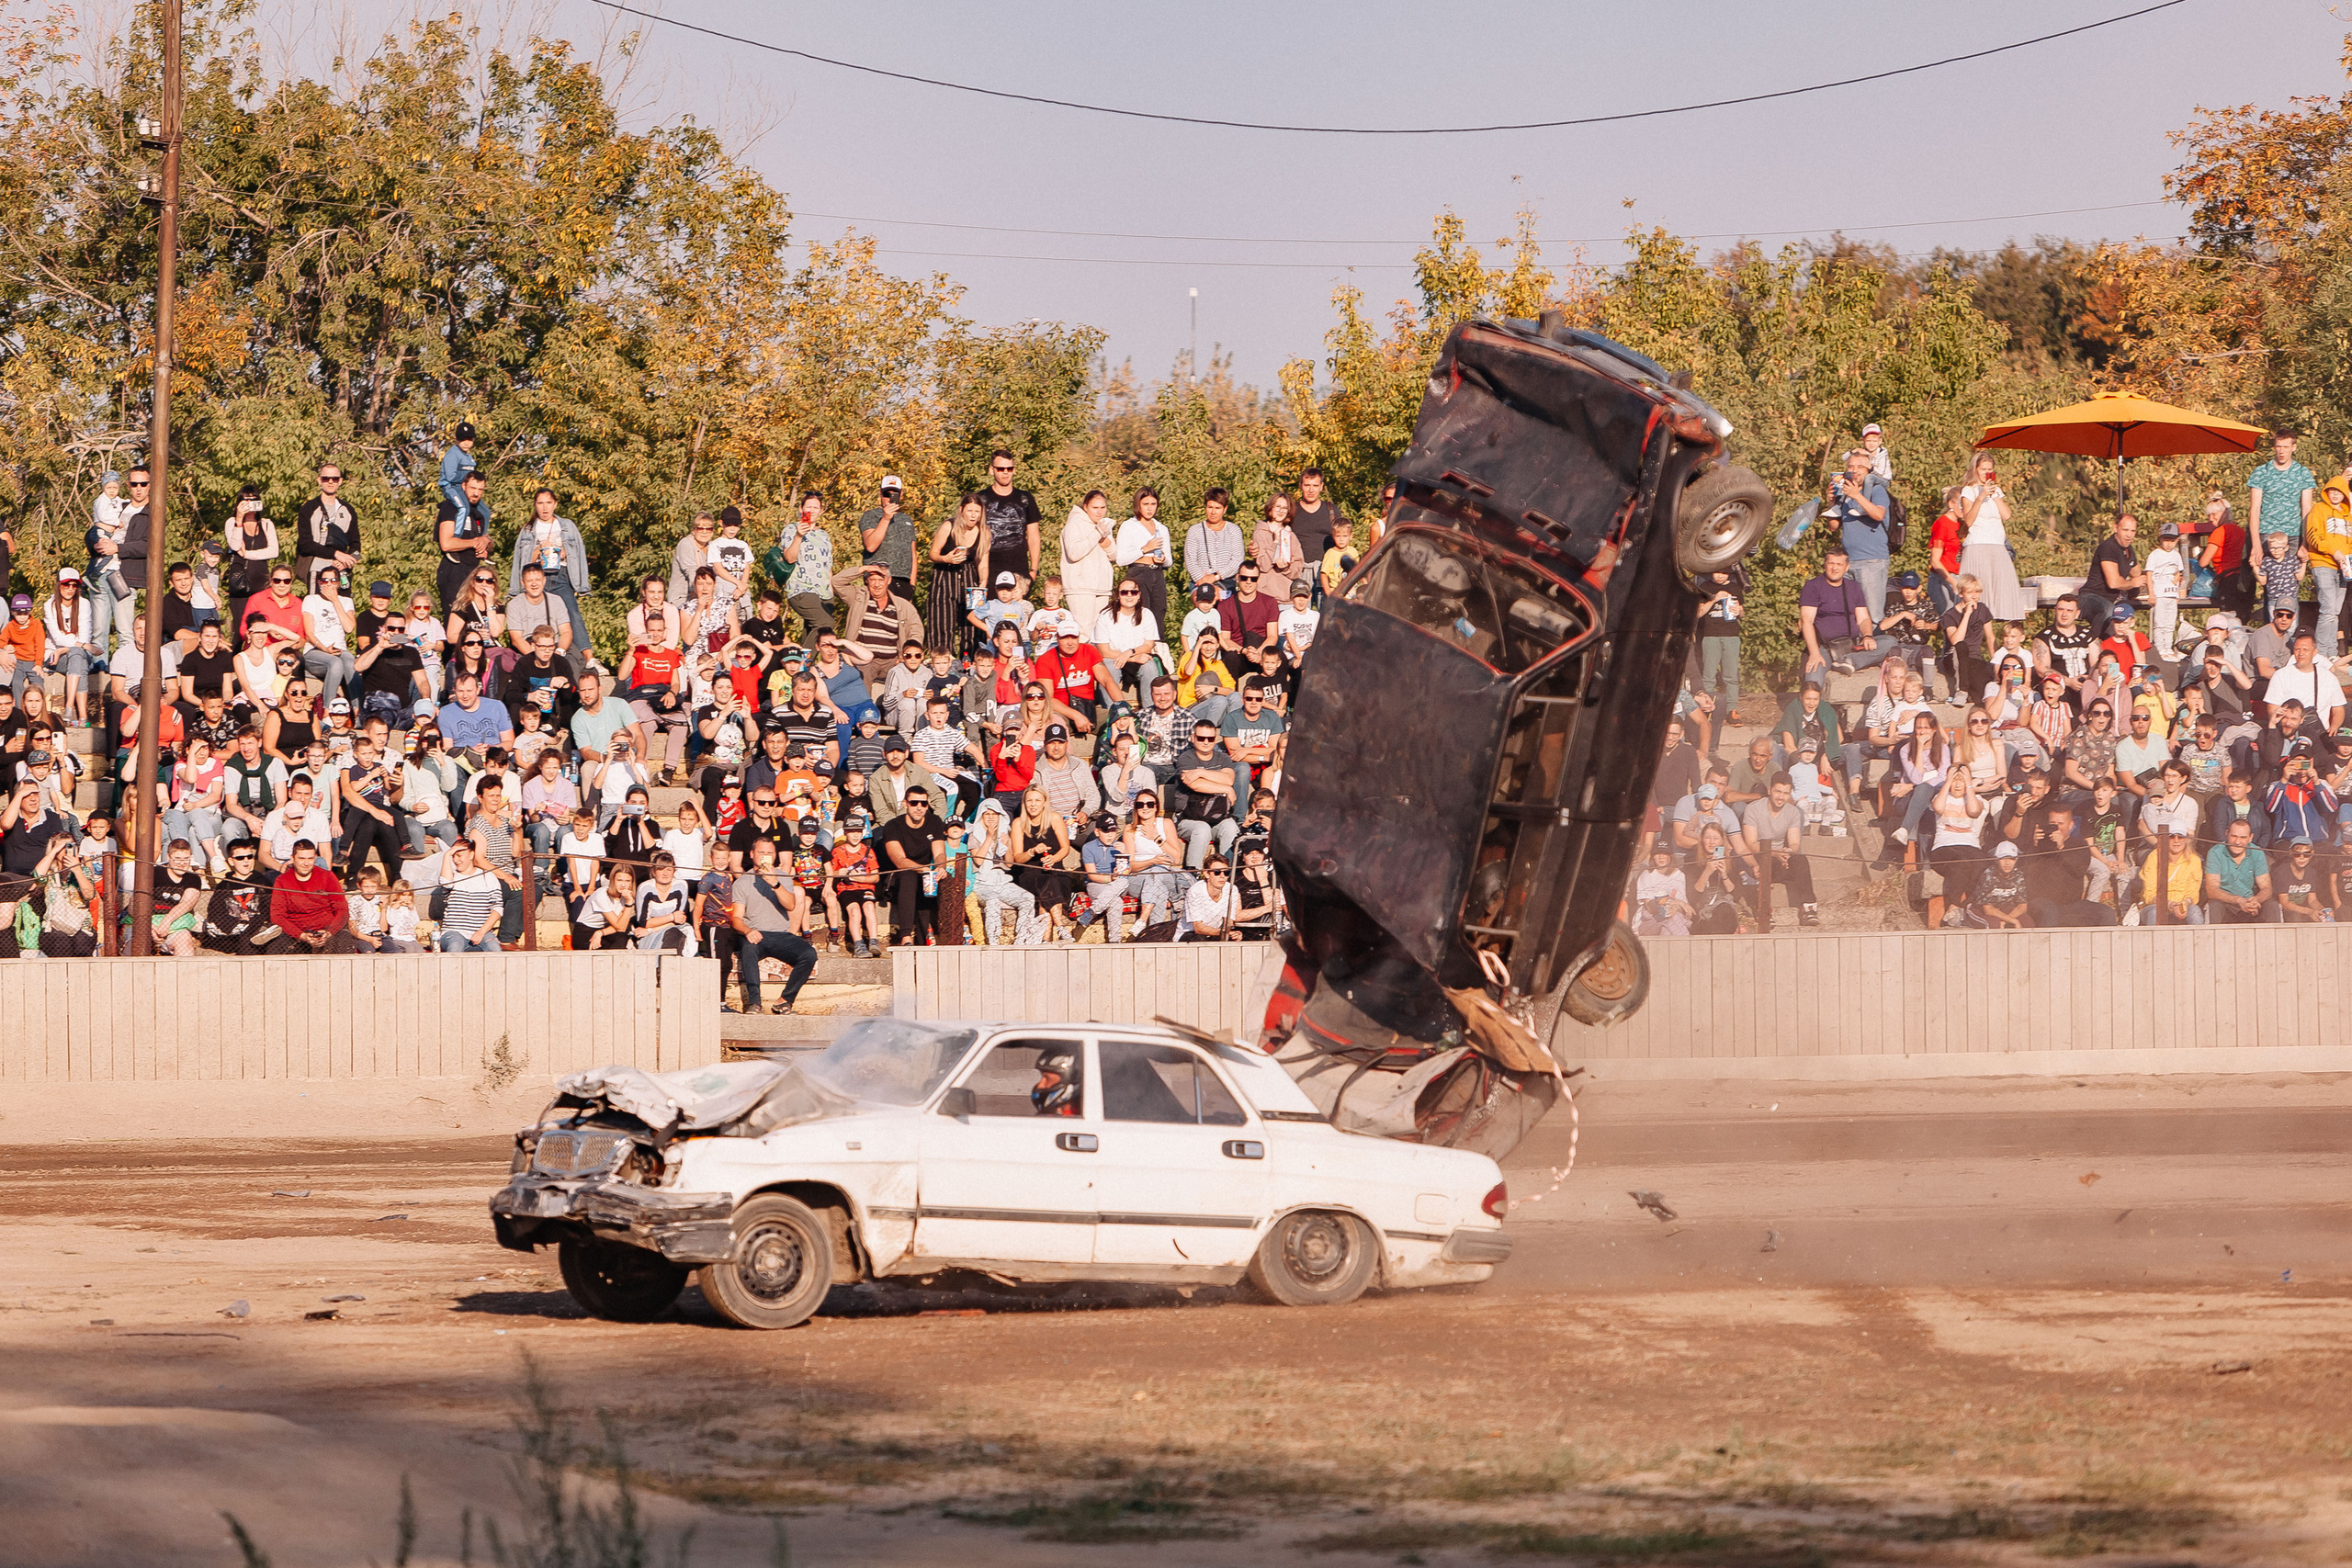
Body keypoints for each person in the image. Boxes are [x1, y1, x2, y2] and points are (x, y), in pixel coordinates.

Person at [1956, 452, 2035, 621]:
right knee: (1978, 590)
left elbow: (2006, 515)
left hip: (1997, 544)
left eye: (1990, 469)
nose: (1986, 473)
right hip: (1978, 544)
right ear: (1975, 470)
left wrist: (1995, 495)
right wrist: (1980, 497)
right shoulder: (1968, 491)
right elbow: (1968, 520)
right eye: (1983, 469)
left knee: (2003, 588)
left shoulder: (1996, 491)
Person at [1823, 447, 1893, 618]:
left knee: (1872, 614)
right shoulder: (1845, 493)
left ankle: (1875, 644)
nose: (1854, 470)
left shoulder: (1876, 490)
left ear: (1869, 470)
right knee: (1848, 613)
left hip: (1872, 561)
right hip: (1847, 562)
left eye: (1860, 466)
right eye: (1851, 466)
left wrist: (1856, 496)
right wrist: (1831, 502)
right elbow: (1833, 527)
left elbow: (1878, 514)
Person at [874, 784, 947, 945]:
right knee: (909, 876)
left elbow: (940, 853)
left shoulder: (935, 822)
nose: (919, 808)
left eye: (924, 803)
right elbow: (899, 860)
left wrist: (941, 867)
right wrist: (924, 869)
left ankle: (937, 936)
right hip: (897, 877)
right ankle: (905, 935)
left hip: (925, 874)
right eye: (914, 803)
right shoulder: (892, 826)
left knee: (941, 880)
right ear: (905, 803)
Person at [1798, 547, 1887, 677]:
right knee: (1813, 675)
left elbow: (1863, 619)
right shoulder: (1813, 587)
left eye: (1839, 564)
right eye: (1831, 563)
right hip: (1825, 647)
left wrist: (1867, 636)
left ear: (1846, 567)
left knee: (1889, 642)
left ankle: (1850, 661)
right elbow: (1806, 622)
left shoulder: (1854, 587)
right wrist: (1814, 653)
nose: (1835, 568)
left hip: (1852, 645)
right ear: (1825, 565)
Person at [767, 491, 837, 647]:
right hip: (801, 588)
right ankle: (803, 663)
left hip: (824, 593)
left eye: (816, 507)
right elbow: (790, 558)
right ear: (801, 509)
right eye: (809, 507)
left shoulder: (823, 535)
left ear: (821, 510)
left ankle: (806, 667)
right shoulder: (791, 529)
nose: (812, 510)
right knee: (825, 623)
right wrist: (799, 536)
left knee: (811, 631)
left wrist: (831, 593)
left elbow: (828, 566)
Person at [924, 492, 989, 657]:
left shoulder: (984, 532)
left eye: (977, 511)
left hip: (970, 578)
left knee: (972, 626)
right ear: (961, 510)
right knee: (941, 625)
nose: (974, 515)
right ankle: (943, 665)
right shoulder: (949, 526)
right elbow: (933, 554)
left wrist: (983, 582)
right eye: (970, 511)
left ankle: (971, 665)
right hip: (944, 574)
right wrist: (946, 558)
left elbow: (983, 563)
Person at [269, 838, 358, 952]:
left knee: (344, 940)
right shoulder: (282, 881)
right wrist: (301, 935)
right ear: (293, 858)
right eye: (301, 858)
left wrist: (330, 932)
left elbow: (342, 909)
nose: (306, 863)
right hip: (296, 935)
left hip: (327, 932)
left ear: (315, 858)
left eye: (310, 858)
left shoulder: (327, 876)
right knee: (276, 946)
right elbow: (277, 916)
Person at [978, 449, 1042, 590]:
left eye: (1010, 468)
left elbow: (1034, 536)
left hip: (1019, 570)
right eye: (1001, 469)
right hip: (988, 571)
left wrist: (1034, 571)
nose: (1006, 472)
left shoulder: (1025, 499)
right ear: (991, 470)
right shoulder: (981, 499)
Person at [435, 469, 493, 614]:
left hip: (474, 573)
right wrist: (474, 542)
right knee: (455, 618)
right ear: (463, 486)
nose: (476, 493)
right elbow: (446, 543)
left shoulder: (479, 511)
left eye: (480, 490)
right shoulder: (451, 507)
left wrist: (486, 543)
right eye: (473, 488)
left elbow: (485, 540)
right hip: (454, 571)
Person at [1115, 487, 1175, 628]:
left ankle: (1157, 646)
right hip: (1138, 573)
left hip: (1157, 573)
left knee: (1159, 612)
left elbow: (1169, 561)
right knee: (1141, 612)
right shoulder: (1129, 526)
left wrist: (1163, 559)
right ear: (1138, 505)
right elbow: (1121, 559)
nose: (1149, 509)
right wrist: (1144, 549)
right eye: (1145, 504)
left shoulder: (1162, 528)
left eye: (1153, 504)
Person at [1059, 490, 1116, 631]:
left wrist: (1105, 543)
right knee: (1084, 631)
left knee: (1100, 632)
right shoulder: (1074, 523)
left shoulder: (1104, 525)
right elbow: (1074, 553)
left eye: (1103, 508)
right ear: (1085, 507)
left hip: (1102, 586)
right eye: (1095, 508)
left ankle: (1096, 655)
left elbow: (1115, 556)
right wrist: (1097, 534)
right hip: (1080, 586)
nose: (1099, 512)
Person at [2247, 430, 2316, 545]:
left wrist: (2305, 542)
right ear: (2274, 447)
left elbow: (2307, 509)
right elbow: (2254, 509)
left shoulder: (2303, 473)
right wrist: (2256, 544)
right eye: (2278, 447)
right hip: (2266, 533)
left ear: (2293, 447)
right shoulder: (2261, 472)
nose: (2282, 451)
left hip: (2293, 534)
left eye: (2286, 447)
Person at [2204, 818, 2273, 923]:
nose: (2237, 842)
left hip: (2250, 902)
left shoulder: (2257, 852)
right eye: (2234, 836)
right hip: (2226, 904)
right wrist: (2238, 900)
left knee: (2272, 906)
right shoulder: (2215, 852)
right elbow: (2212, 890)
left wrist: (2256, 900)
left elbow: (2267, 888)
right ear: (2226, 834)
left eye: (2243, 837)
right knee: (2214, 906)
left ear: (2250, 838)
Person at [1184, 488, 1246, 603]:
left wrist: (1215, 576)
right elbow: (1190, 561)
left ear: (1225, 509)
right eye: (1210, 507)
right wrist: (1205, 582)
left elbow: (1237, 560)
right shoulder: (1195, 530)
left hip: (1226, 583)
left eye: (1217, 508)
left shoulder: (1234, 530)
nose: (1213, 512)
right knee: (1204, 604)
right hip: (1200, 582)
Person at [2146, 523, 2190, 662]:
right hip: (2159, 594)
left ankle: (2168, 647)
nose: (2169, 544)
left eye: (2172, 540)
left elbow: (2179, 574)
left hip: (2172, 594)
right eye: (2166, 540)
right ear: (2160, 539)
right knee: (2160, 622)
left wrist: (2178, 592)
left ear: (2177, 540)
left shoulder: (2176, 556)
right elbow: (2149, 574)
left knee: (2170, 623)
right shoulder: (2155, 555)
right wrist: (2151, 593)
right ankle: (2160, 647)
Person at [1632, 843, 1693, 937]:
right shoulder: (1647, 875)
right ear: (1653, 857)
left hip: (1672, 921)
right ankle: (1687, 947)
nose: (1661, 857)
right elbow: (1649, 908)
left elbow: (1684, 908)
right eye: (1658, 854)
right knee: (1669, 917)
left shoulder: (1679, 875)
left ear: (1671, 857)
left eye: (1665, 853)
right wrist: (1677, 903)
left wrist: (1678, 906)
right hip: (1648, 922)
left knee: (1668, 927)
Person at [1178, 853, 1241, 941]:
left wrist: (1232, 933)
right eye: (1217, 872)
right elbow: (1198, 927)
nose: (1222, 876)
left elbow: (1228, 921)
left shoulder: (1232, 889)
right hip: (1190, 934)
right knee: (1200, 939)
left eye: (1226, 872)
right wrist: (1222, 932)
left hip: (1216, 933)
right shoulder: (1195, 891)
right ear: (1206, 874)